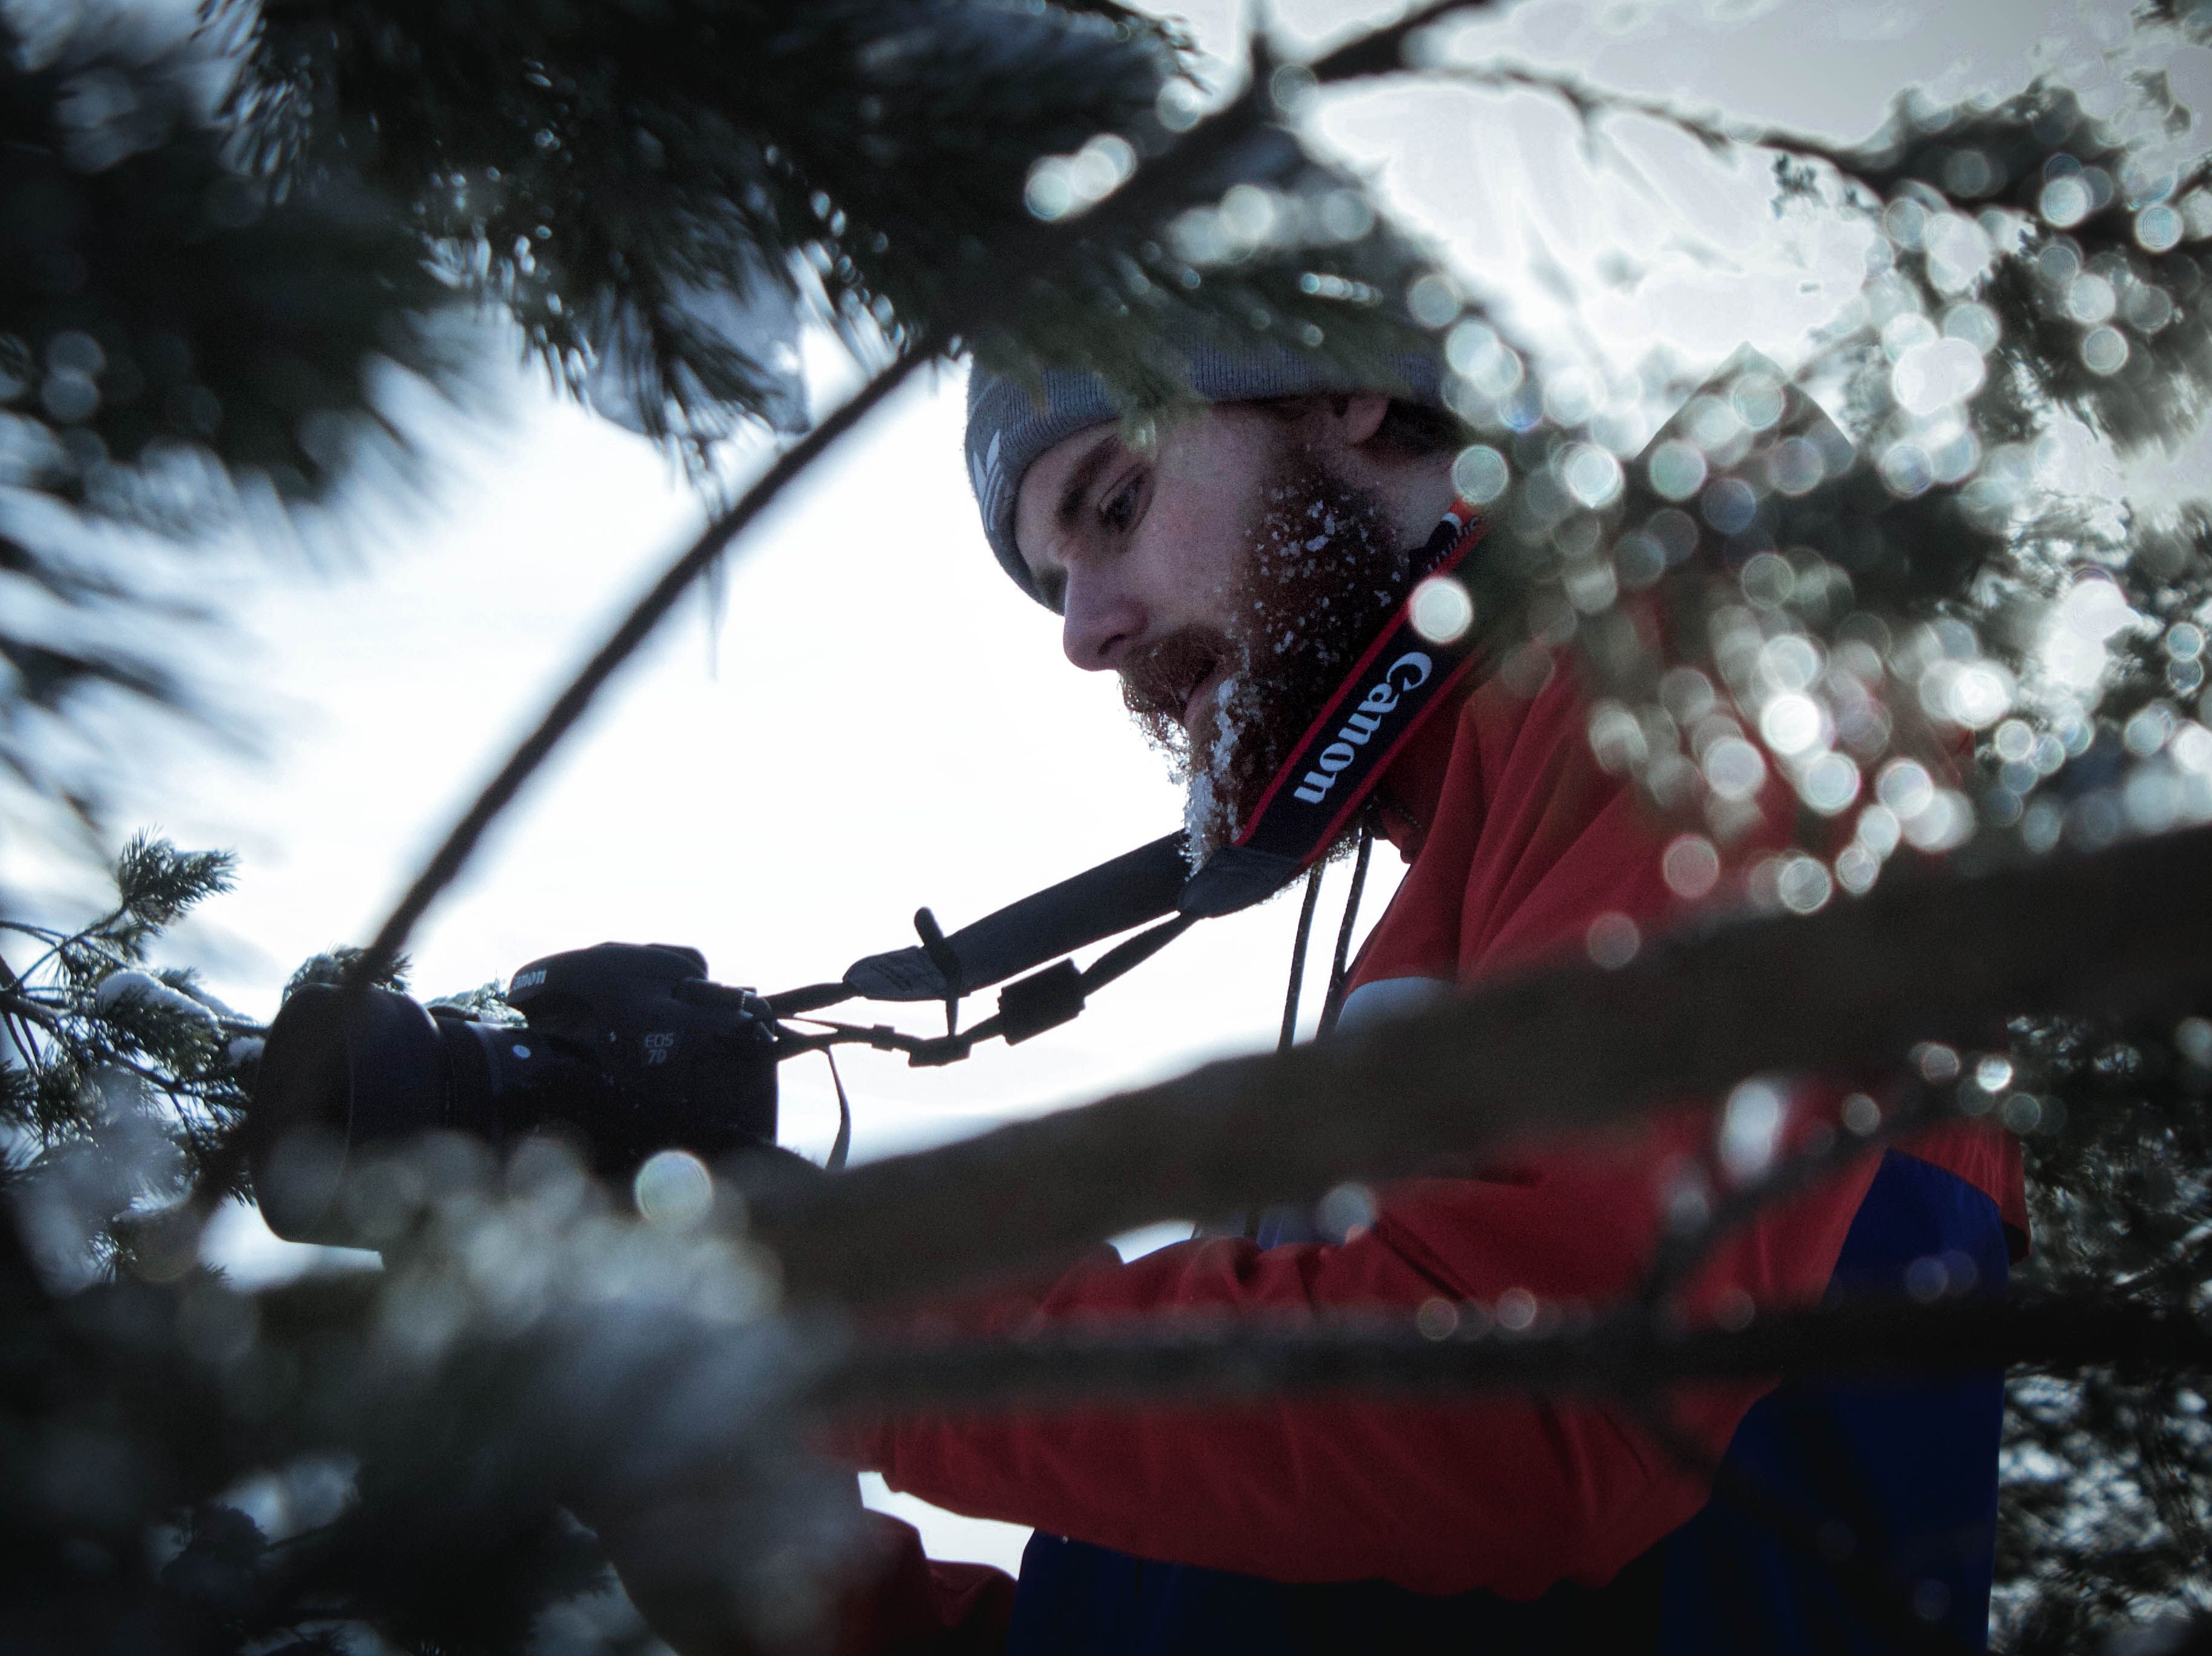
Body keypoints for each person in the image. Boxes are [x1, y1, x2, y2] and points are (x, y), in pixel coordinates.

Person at [832, 343, 2025, 1656]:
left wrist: (860, 1345)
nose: (1082, 633)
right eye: (1056, 586)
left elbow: (1545, 1424)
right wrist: (799, 1584)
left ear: (1340, 390)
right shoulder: (1431, 900)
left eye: (1113, 507)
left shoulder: (1697, 662)